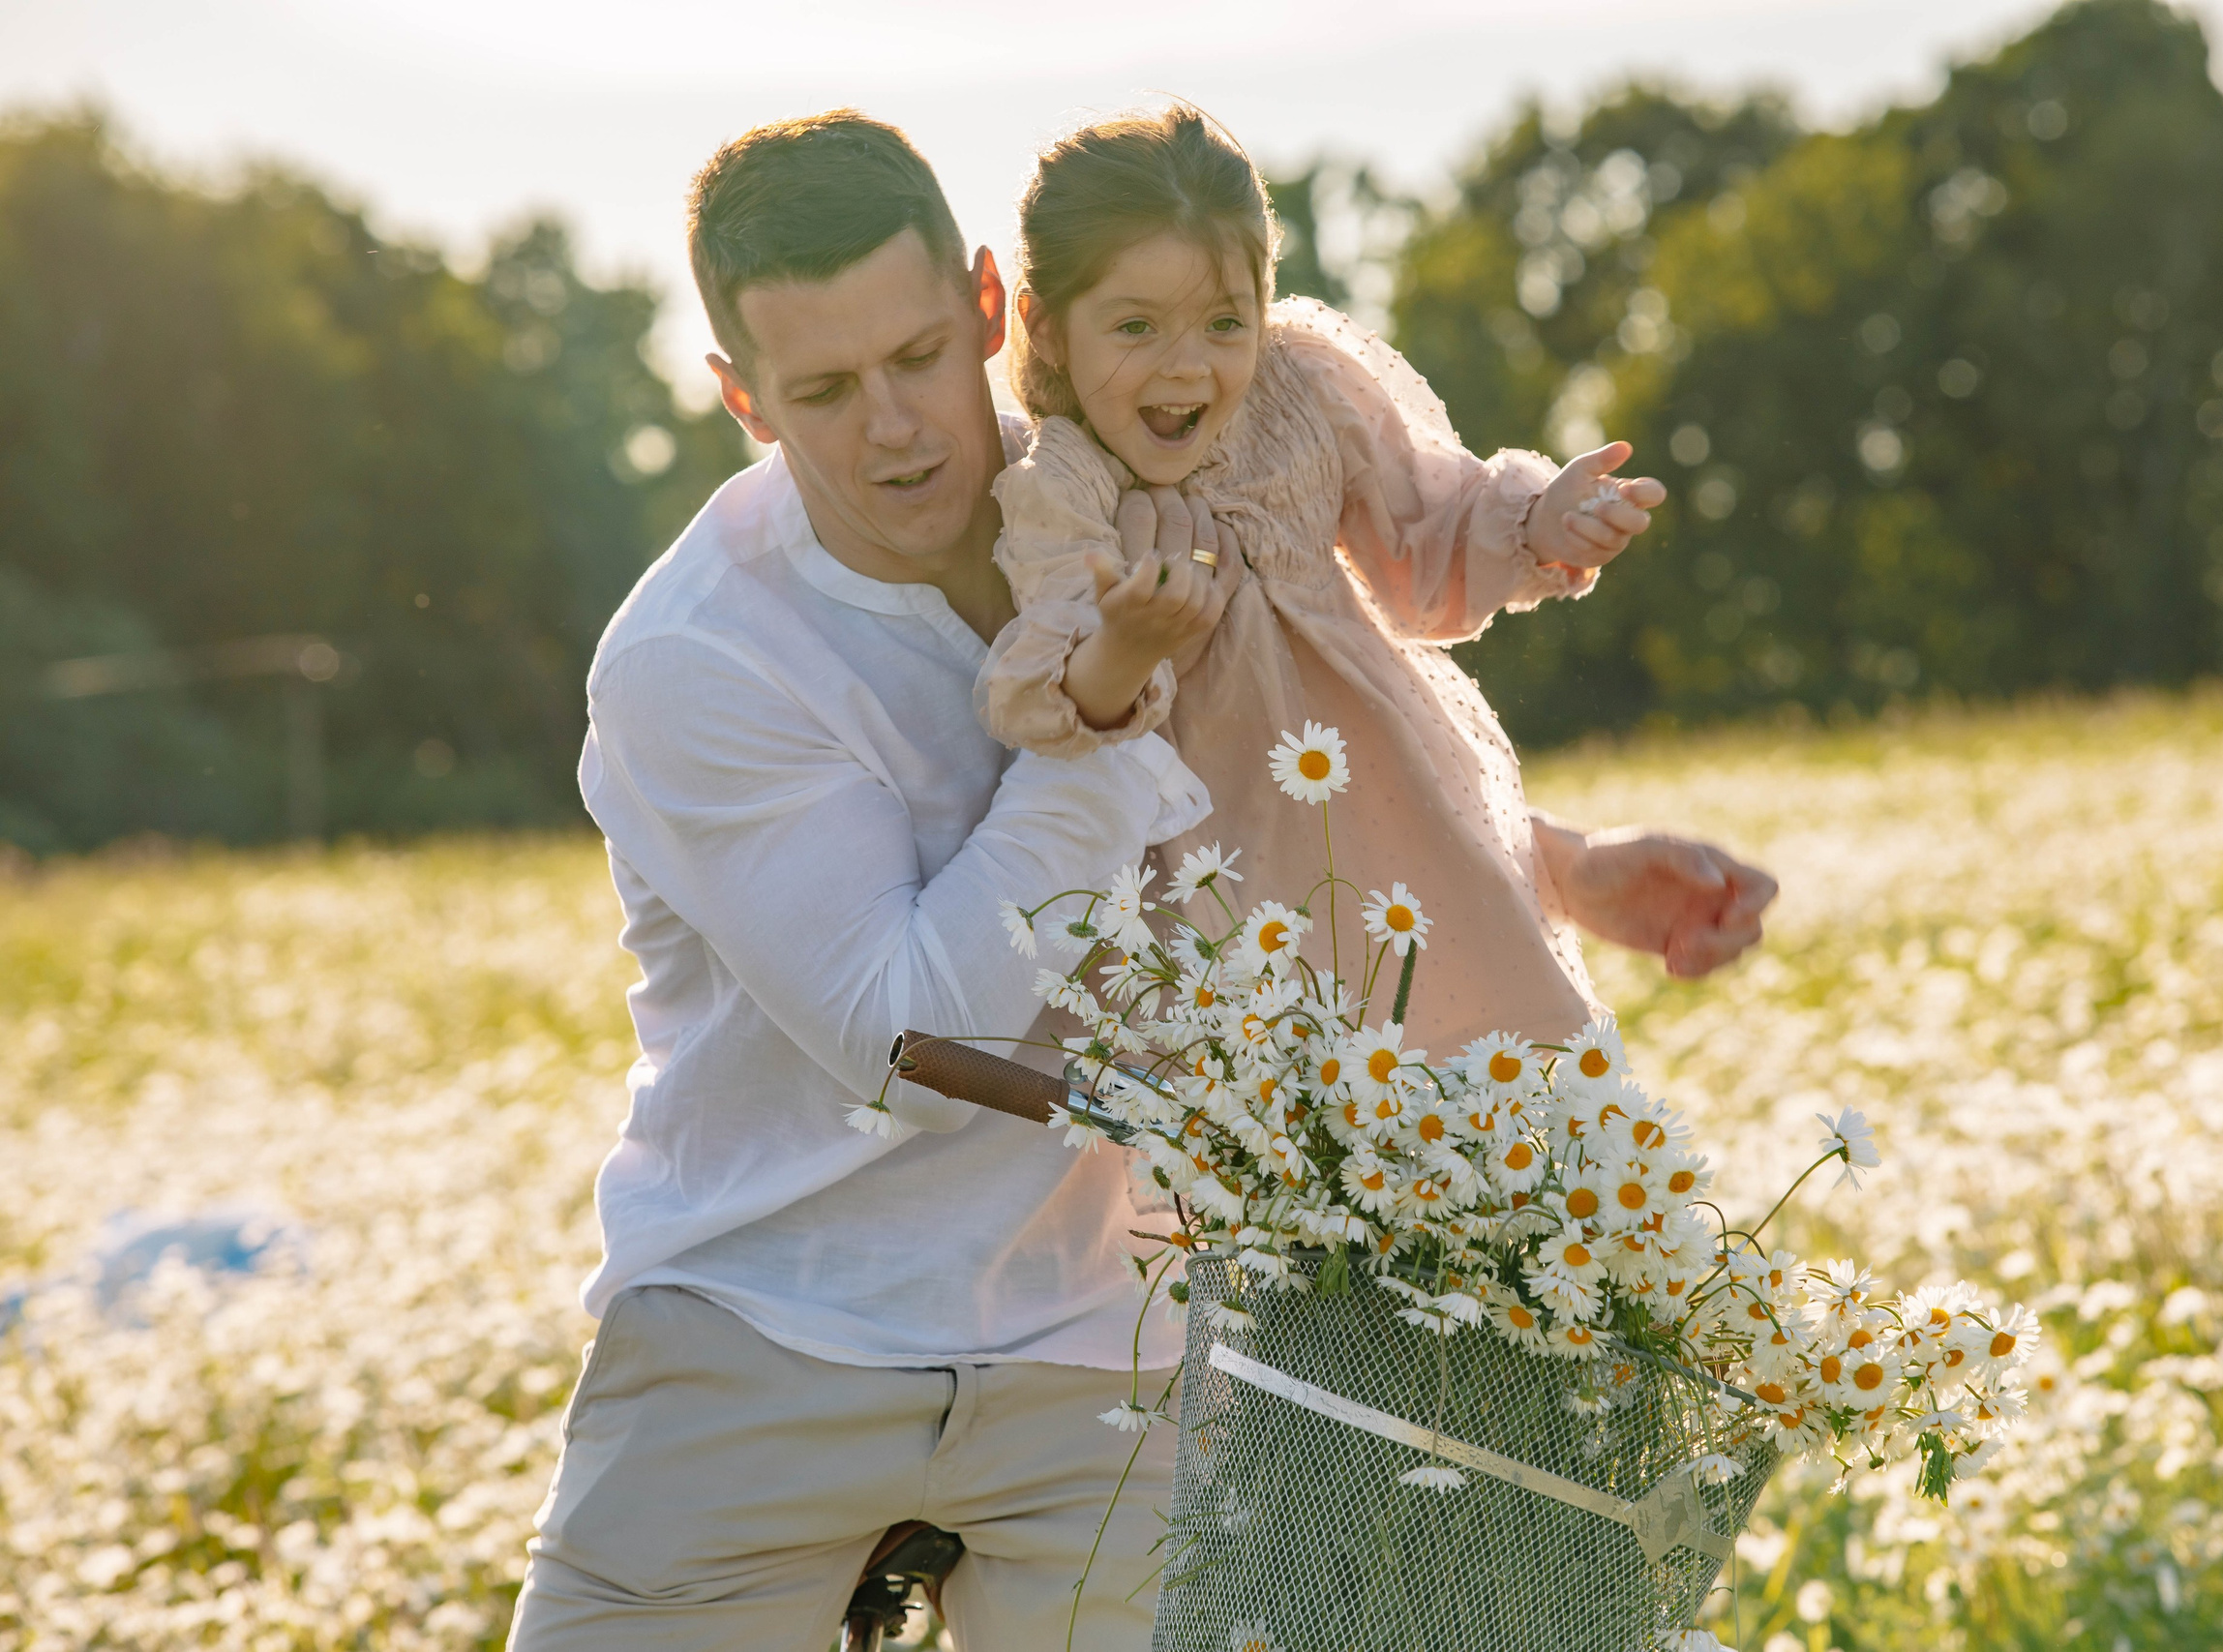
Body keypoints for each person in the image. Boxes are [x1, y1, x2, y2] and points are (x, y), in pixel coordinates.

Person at [509, 109, 1774, 1652]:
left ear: (992, 306)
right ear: (741, 397)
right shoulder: (699, 659)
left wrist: (1564, 868)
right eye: (823, 391)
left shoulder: (1131, 464)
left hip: (1098, 1338)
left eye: (918, 356)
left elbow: (1266, 787)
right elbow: (909, 1047)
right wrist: (1108, 711)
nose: (896, 429)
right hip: (769, 1325)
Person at [977, 106, 1719, 1055]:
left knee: (1473, 1081)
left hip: (1387, 825)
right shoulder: (1062, 488)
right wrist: (1128, 645)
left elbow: (1425, 535)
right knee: (1282, 1122)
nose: (1187, 365)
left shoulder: (1300, 387)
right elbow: (1044, 696)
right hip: (1210, 898)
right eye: (1134, 326)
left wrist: (1543, 518)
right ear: (1044, 326)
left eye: (1224, 322)